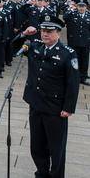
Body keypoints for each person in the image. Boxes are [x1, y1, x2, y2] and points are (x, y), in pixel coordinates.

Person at [21, 16, 79, 178]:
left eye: (49, 31)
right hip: (36, 104)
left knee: (56, 147)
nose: (45, 34)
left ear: (58, 33)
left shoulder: (68, 54)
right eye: (43, 31)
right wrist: (24, 34)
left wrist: (68, 108)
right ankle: (42, 172)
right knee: (37, 145)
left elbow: (73, 84)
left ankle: (57, 175)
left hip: (55, 108)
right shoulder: (35, 46)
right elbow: (13, 48)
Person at [63, 0, 90, 86]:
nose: (81, 8)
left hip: (85, 42)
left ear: (86, 7)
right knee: (74, 60)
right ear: (76, 6)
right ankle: (73, 76)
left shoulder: (88, 16)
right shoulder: (72, 14)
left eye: (83, 6)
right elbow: (65, 17)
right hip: (74, 42)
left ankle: (83, 77)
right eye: (79, 6)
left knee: (84, 60)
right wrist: (71, 8)